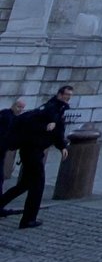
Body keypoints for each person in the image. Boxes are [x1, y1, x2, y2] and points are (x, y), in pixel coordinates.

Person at [0, 85, 72, 229]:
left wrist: (62, 146)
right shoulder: (52, 108)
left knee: (24, 184)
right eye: (66, 94)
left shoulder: (55, 108)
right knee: (37, 186)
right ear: (59, 94)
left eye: (70, 95)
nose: (68, 98)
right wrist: (47, 128)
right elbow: (48, 127)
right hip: (33, 151)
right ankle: (28, 219)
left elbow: (57, 130)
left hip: (29, 151)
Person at [0, 97, 26, 195]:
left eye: (22, 108)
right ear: (13, 106)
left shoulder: (13, 117)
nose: (20, 110)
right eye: (19, 107)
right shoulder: (6, 115)